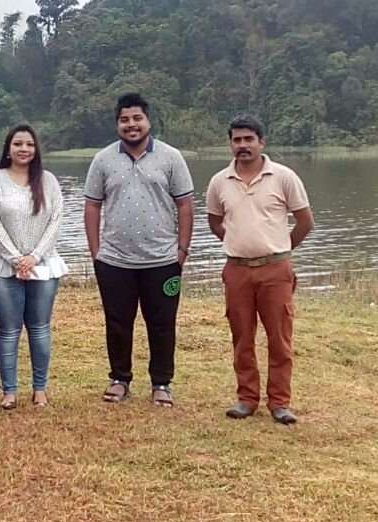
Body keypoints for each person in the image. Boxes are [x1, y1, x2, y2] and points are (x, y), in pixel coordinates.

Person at [83, 93, 194, 407]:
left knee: (162, 324)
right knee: (118, 322)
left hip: (163, 260)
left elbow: (185, 205)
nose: (131, 125)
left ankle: (161, 383)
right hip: (114, 260)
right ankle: (120, 379)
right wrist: (96, 253)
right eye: (124, 120)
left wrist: (182, 251)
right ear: (117, 124)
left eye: (136, 118)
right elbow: (92, 206)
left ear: (148, 121)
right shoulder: (103, 160)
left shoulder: (171, 158)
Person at [205, 114, 314, 424]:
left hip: (275, 270)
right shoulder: (219, 182)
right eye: (237, 140)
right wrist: (238, 243)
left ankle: (279, 402)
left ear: (261, 142)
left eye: (248, 139)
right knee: (242, 337)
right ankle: (246, 399)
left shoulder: (283, 177)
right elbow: (215, 222)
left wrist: (281, 249)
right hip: (237, 270)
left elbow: (305, 222)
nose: (243, 145)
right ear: (230, 144)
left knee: (279, 339)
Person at [0, 124, 67, 410]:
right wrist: (16, 258)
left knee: (39, 328)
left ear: (36, 149)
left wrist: (35, 257)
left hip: (42, 265)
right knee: (9, 330)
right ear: (8, 148)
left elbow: (55, 221)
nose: (24, 149)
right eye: (18, 144)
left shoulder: (48, 181)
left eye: (29, 144)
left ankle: (40, 389)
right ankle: (9, 392)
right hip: (1, 265)